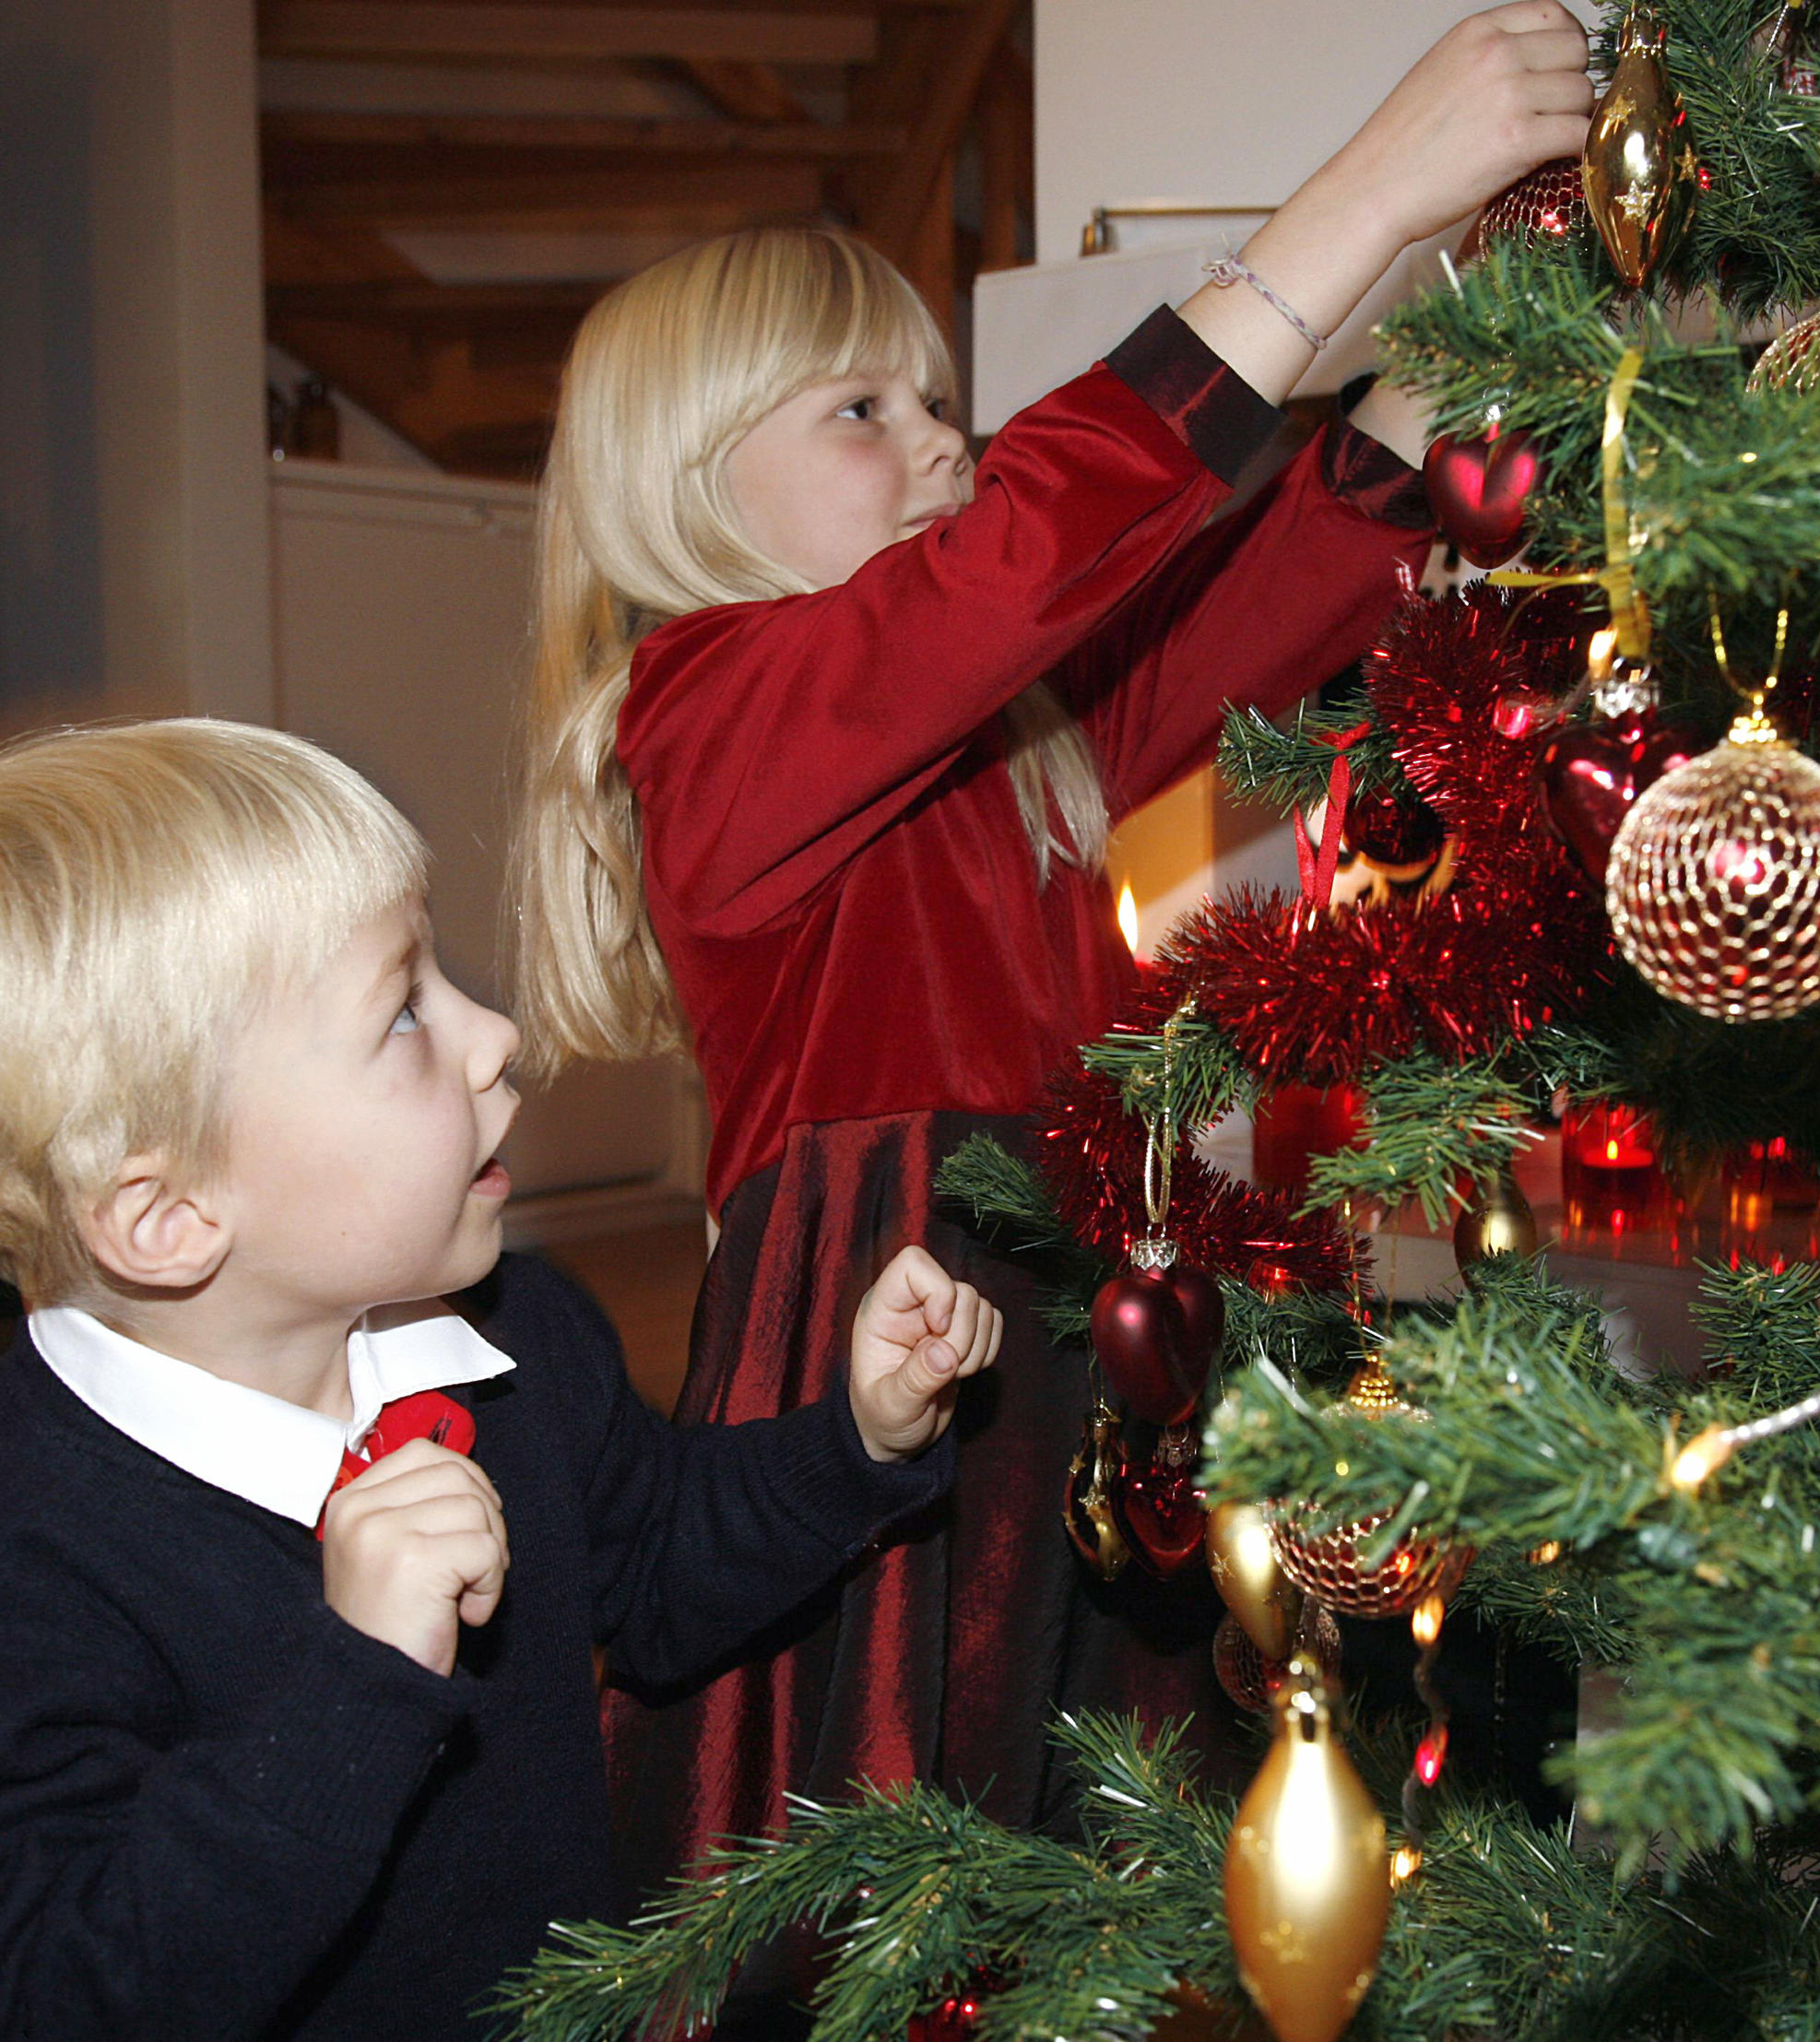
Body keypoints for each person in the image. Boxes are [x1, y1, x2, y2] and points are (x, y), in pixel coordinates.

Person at [512, 0, 1593, 1907]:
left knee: (1108, 1879)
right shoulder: (707, 715)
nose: (943, 439)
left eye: (943, 401)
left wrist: (1483, 264)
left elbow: (1278, 582)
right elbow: (1011, 567)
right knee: (881, 1893)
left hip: (1103, 1345)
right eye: (866, 410)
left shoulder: (1023, 750)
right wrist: (1354, 200)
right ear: (684, 486)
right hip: (889, 1380)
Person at [0, 719, 1000, 2042]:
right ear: (168, 1217)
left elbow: (657, 1572)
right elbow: (36, 2004)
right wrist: (357, 1685)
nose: (494, 1032)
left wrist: (853, 1438)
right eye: (403, 1011)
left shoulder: (512, 1336)